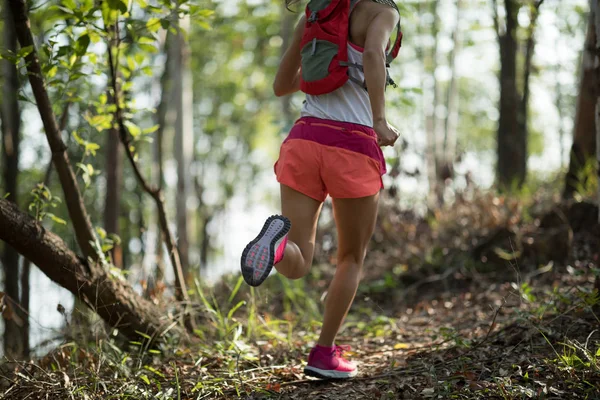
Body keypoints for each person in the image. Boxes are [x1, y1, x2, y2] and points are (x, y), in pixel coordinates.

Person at [240, 0, 401, 379]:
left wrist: (326, 69)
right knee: (350, 258)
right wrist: (379, 120)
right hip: (353, 146)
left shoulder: (315, 12)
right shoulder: (382, 12)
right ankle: (323, 353)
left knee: (299, 260)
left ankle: (276, 246)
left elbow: (282, 85)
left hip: (305, 139)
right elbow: (375, 54)